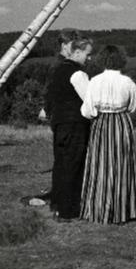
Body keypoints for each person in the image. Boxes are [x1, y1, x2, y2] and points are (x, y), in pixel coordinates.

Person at [79, 45, 136, 224]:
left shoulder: (95, 81)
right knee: (122, 164)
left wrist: (97, 114)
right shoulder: (127, 82)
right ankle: (121, 210)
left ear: (102, 60)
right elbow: (135, 104)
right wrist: (122, 112)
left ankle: (99, 209)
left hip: (101, 122)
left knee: (100, 165)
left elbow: (87, 110)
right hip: (121, 122)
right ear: (121, 60)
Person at [44, 34, 93, 222]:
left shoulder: (58, 70)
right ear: (77, 52)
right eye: (87, 54)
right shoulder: (78, 73)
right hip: (75, 124)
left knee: (61, 164)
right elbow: (89, 100)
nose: (89, 58)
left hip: (60, 123)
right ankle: (68, 209)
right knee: (73, 165)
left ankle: (57, 204)